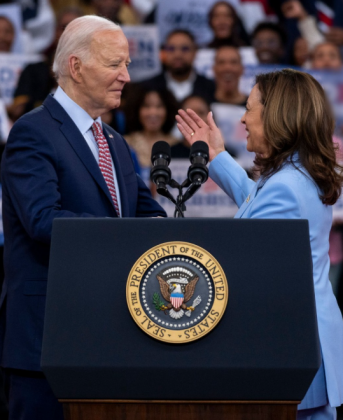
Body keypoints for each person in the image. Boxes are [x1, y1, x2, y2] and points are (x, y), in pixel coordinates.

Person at [0, 15, 166, 420]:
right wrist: (124, 239)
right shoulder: (33, 131)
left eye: (126, 64)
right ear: (75, 66)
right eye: (115, 64)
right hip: (48, 336)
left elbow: (148, 213)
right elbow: (42, 220)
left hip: (112, 332)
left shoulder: (112, 139)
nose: (126, 76)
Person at [176, 68, 343, 419]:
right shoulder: (297, 175)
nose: (243, 118)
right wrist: (217, 156)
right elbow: (258, 201)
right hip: (307, 343)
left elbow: (247, 268)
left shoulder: (285, 186)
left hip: (290, 349)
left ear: (277, 116)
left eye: (249, 108)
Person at [9, 6, 84, 122]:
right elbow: (18, 113)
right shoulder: (33, 71)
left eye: (76, 29)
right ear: (55, 32)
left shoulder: (94, 73)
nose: (69, 34)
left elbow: (106, 118)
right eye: (64, 27)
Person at [140, 29, 215, 104]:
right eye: (171, 49)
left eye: (185, 49)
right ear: (164, 52)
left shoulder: (212, 88)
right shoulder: (147, 87)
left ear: (195, 52)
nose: (177, 54)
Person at [124, 87, 179, 185]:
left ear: (168, 110)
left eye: (159, 106)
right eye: (146, 106)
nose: (153, 112)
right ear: (136, 109)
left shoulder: (177, 144)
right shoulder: (125, 143)